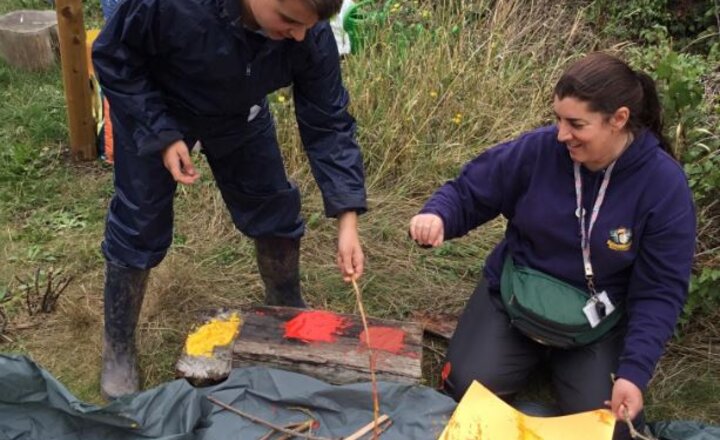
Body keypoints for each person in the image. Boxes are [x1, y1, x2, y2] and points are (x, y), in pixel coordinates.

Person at [409, 52, 696, 439]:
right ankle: (521, 352)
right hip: (517, 296)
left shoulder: (664, 186)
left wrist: (633, 373)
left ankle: (568, 364)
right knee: (463, 389)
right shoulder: (541, 148)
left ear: (619, 120)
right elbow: (471, 191)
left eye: (576, 124)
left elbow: (661, 291)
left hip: (597, 321)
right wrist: (438, 216)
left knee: (613, 429)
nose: (561, 134)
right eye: (558, 119)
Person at [92, 0, 367, 400]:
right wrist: (163, 134)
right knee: (140, 221)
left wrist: (348, 219)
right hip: (155, 104)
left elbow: (328, 122)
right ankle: (117, 345)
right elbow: (114, 58)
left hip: (241, 111)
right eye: (289, 22)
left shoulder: (307, 30)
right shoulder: (168, 5)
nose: (299, 36)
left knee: (272, 205)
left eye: (307, 27)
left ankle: (285, 304)